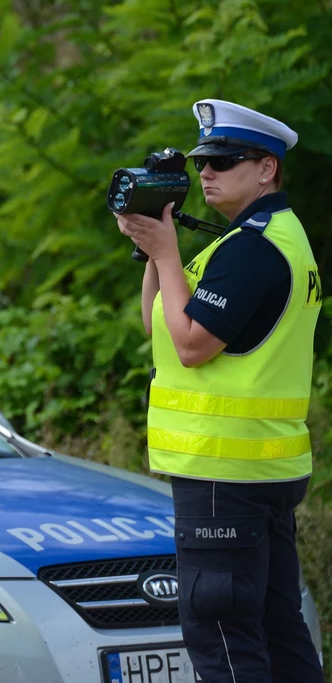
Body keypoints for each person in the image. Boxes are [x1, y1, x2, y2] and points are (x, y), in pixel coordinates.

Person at [114, 99, 324, 683]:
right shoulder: (261, 239)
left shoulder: (253, 250)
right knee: (278, 631)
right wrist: (155, 245)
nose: (206, 171)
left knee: (224, 637)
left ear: (267, 169)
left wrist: (167, 251)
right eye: (203, 160)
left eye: (225, 160)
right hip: (255, 468)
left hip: (225, 475)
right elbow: (157, 320)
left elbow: (189, 345)